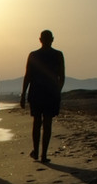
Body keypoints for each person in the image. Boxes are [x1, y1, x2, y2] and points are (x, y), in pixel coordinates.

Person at [21, 30, 65, 163]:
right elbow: (61, 76)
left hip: (37, 92)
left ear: (40, 40)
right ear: (52, 39)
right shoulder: (57, 55)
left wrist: (23, 94)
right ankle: (43, 155)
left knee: (37, 123)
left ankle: (36, 152)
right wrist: (58, 91)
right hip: (51, 93)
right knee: (47, 123)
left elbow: (27, 75)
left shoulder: (34, 55)